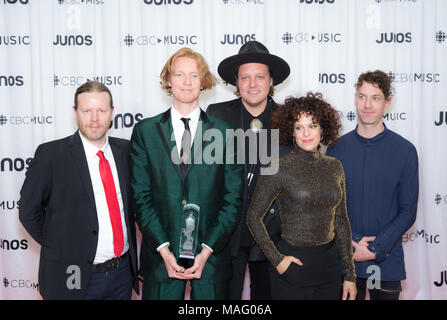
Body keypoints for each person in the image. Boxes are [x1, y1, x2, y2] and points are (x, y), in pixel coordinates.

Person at [130, 47, 243, 300]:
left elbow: (233, 198)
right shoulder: (145, 132)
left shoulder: (226, 134)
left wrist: (206, 250)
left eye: (194, 75)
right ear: (168, 80)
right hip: (161, 261)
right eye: (180, 74)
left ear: (203, 81)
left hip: (211, 261)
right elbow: (140, 196)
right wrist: (163, 248)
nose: (187, 82)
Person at [19, 81, 139, 300]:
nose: (94, 118)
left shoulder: (127, 151)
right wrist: (62, 247)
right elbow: (28, 211)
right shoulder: (51, 155)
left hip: (121, 274)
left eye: (101, 110)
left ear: (112, 112)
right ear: (75, 112)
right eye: (87, 110)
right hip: (71, 273)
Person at [246, 93, 357, 300]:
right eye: (299, 127)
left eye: (312, 125)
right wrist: (277, 260)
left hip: (329, 269)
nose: (306, 133)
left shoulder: (335, 167)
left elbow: (341, 220)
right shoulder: (278, 167)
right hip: (292, 269)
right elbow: (253, 217)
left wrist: (350, 274)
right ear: (292, 131)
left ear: (323, 128)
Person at [207, 40, 291, 300]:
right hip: (229, 232)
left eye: (259, 77)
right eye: (245, 77)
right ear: (236, 82)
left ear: (271, 81)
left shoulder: (288, 118)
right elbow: (208, 176)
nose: (252, 84)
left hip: (273, 233)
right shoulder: (216, 115)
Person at [326, 70, 418, 300]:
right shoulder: (336, 149)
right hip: (346, 259)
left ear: (387, 101)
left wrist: (375, 248)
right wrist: (353, 241)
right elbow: (330, 205)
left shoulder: (405, 151)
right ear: (355, 98)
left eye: (375, 97)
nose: (367, 104)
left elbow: (408, 210)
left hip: (386, 260)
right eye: (362, 96)